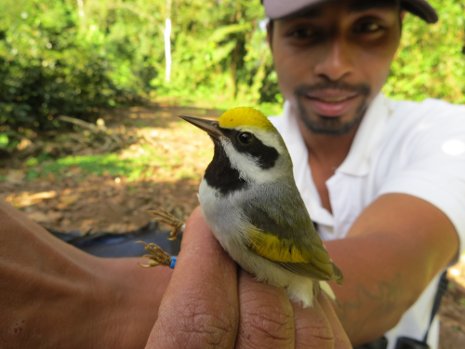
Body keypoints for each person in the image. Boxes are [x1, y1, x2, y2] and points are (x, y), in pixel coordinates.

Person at [1, 1, 464, 349]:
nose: (335, 64)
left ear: (400, 33)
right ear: (271, 39)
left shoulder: (446, 134)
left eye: (367, 27)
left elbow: (393, 263)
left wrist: (97, 307)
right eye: (306, 31)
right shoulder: (259, 144)